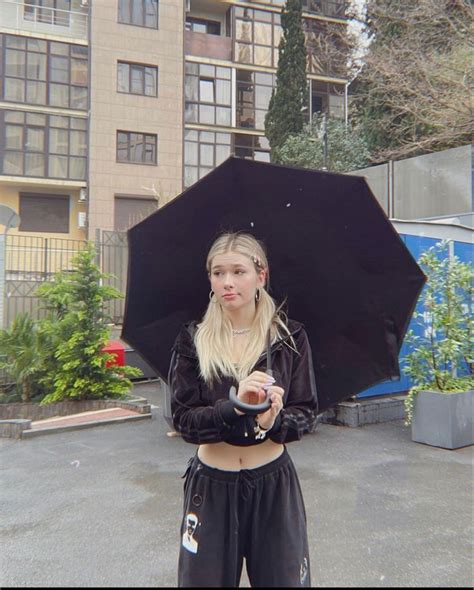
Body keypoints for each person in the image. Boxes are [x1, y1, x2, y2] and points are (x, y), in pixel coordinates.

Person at [170, 232, 318, 588]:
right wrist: (232, 410)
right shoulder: (193, 339)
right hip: (211, 487)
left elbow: (306, 412)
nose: (227, 283)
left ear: (261, 275)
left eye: (238, 271)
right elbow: (184, 420)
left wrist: (273, 420)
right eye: (218, 273)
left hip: (273, 485)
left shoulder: (288, 338)